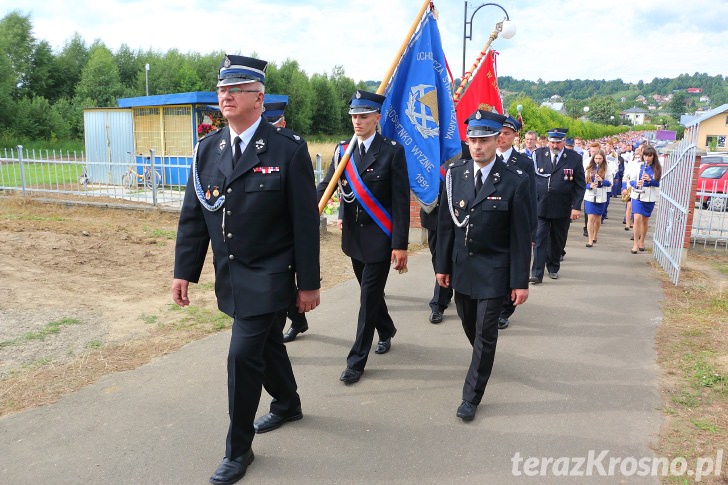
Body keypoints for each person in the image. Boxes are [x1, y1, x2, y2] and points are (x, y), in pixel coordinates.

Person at [172, 55, 321, 485]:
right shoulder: (208, 149)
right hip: (231, 275)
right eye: (222, 89)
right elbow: (193, 217)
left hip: (272, 272)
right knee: (267, 345)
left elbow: (304, 223)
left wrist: (307, 284)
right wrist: (184, 271)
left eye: (235, 88)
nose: (226, 95)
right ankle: (288, 402)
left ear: (258, 98)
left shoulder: (286, 150)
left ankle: (238, 451)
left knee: (242, 357)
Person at [435, 110, 531, 422]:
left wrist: (520, 282)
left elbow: (520, 236)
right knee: (470, 327)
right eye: (473, 139)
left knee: (485, 333)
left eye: (484, 140)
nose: (477, 146)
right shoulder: (455, 174)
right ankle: (483, 357)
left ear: (498, 139)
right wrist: (441, 267)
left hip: (495, 270)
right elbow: (446, 226)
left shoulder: (515, 181)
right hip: (462, 267)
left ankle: (471, 397)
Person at [317, 90, 409, 385]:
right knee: (370, 294)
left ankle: (356, 361)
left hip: (380, 238)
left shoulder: (392, 151)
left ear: (376, 118)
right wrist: (309, 206)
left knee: (367, 297)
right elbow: (329, 184)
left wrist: (400, 244)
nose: (357, 121)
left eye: (363, 116)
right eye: (354, 116)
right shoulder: (343, 150)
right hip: (354, 238)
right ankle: (386, 328)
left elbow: (399, 201)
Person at [263, 99, 311, 343]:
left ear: (283, 121)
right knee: (281, 286)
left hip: (291, 231)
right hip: (271, 232)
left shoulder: (291, 147)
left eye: (275, 122)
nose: (273, 127)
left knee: (285, 284)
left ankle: (287, 327)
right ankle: (298, 320)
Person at [495, 115, 536, 330]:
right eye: (499, 132)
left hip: (515, 223)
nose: (501, 137)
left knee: (511, 267)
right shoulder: (487, 159)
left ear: (515, 136)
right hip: (493, 223)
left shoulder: (524, 163)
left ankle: (504, 310)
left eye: (507, 133)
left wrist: (530, 232)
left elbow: (530, 200)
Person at [530, 128, 585, 283]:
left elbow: (580, 185)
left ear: (564, 141)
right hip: (541, 205)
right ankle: (536, 273)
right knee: (539, 239)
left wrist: (576, 206)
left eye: (558, 142)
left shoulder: (574, 158)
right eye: (552, 142)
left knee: (557, 240)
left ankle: (553, 267)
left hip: (562, 207)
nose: (554, 145)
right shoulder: (539, 155)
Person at [420, 142, 466, 324]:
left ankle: (438, 304)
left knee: (447, 257)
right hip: (433, 213)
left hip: (456, 216)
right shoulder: (423, 145)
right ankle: (446, 290)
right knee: (437, 257)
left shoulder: (462, 149)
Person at [628, 145, 661, 253]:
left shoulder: (657, 168)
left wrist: (650, 180)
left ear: (653, 156)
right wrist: (635, 184)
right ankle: (635, 244)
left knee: (645, 221)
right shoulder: (638, 166)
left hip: (649, 197)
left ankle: (642, 240)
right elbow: (631, 179)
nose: (647, 158)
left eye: (649, 156)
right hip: (637, 195)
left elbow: (658, 183)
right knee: (636, 218)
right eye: (645, 156)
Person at [583, 150, 613, 246]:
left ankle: (595, 234)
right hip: (590, 196)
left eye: (600, 158)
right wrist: (590, 186)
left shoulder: (607, 169)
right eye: (596, 158)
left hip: (601, 196)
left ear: (603, 159)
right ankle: (590, 240)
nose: (598, 160)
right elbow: (583, 182)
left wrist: (602, 181)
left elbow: (610, 183)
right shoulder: (589, 168)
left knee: (598, 218)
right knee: (590, 218)